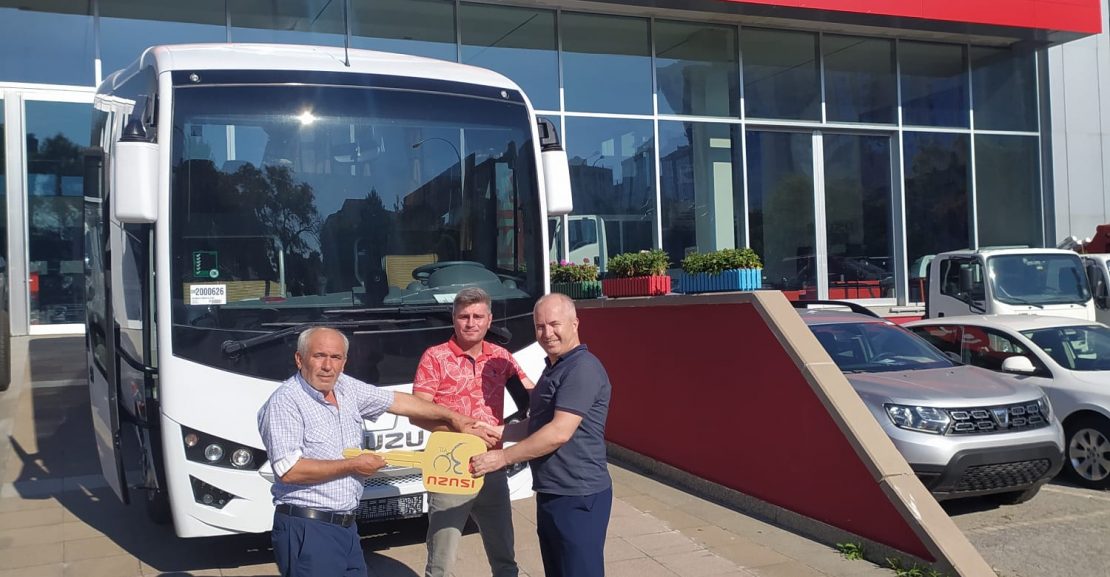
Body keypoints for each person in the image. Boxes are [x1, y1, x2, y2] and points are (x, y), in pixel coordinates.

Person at [258, 326, 495, 577]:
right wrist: (353, 465)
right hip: (308, 528)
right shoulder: (285, 403)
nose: (327, 366)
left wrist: (454, 418)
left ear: (344, 362)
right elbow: (289, 470)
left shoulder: (345, 387)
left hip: (345, 526)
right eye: (319, 356)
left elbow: (398, 402)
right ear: (299, 359)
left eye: (335, 357)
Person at [471, 293, 612, 577]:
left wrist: (503, 458)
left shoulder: (581, 369)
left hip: (578, 495)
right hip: (552, 491)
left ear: (575, 324)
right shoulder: (554, 368)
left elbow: (558, 432)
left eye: (554, 324)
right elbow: (538, 425)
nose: (547, 333)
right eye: (540, 326)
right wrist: (499, 431)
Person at [410, 287, 534, 577]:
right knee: (441, 563)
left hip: (492, 466)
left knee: (505, 558)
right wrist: (463, 431)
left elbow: (532, 397)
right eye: (464, 316)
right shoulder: (435, 357)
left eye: (478, 316)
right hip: (450, 468)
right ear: (454, 319)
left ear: (489, 320)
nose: (471, 323)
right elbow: (417, 414)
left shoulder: (501, 357)